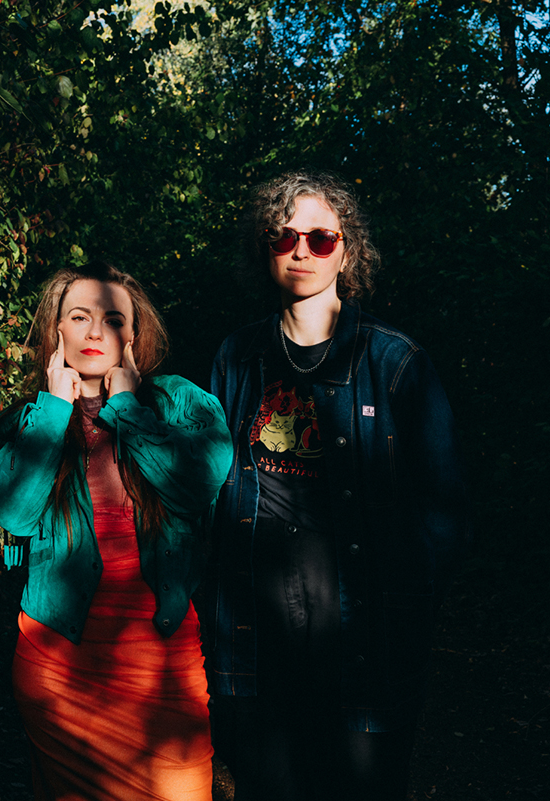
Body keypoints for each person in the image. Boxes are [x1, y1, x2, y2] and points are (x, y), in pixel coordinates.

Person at [200, 170, 472, 800]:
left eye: (320, 238)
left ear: (347, 252)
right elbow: (207, 490)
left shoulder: (395, 362)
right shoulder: (237, 358)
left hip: (365, 635)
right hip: (257, 633)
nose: (301, 250)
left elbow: (445, 509)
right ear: (263, 249)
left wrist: (407, 611)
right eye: (283, 236)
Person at [0, 261, 232, 801]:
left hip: (163, 668)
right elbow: (10, 511)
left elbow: (197, 484)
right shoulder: (29, 420)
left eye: (113, 319)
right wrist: (53, 410)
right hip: (58, 668)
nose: (95, 332)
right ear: (56, 330)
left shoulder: (178, 403)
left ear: (134, 334)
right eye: (79, 317)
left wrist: (128, 408)